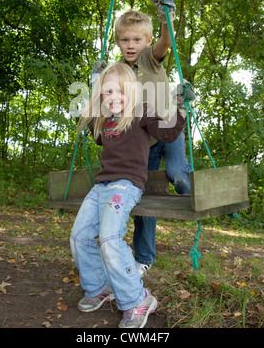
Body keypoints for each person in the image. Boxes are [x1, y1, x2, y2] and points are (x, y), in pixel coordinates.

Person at [70, 62, 187, 328]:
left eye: (120, 91)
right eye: (107, 92)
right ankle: (99, 286)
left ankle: (137, 299)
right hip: (101, 186)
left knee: (110, 238)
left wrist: (180, 106)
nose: (113, 97)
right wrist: (91, 92)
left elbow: (167, 133)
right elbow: (97, 136)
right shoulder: (107, 120)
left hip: (126, 185)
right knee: (80, 237)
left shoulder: (141, 113)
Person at [114, 0, 193, 276]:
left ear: (145, 42)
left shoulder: (150, 57)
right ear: (118, 42)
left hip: (169, 128)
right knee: (143, 195)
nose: (131, 45)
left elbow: (166, 41)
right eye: (125, 40)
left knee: (177, 176)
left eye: (136, 40)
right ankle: (144, 257)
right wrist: (99, 79)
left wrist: (164, 15)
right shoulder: (118, 71)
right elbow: (110, 102)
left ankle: (199, 196)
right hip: (143, 142)